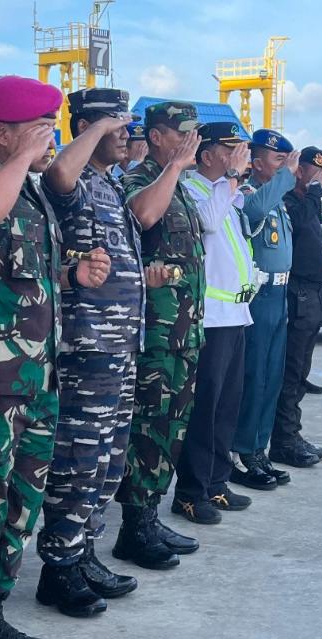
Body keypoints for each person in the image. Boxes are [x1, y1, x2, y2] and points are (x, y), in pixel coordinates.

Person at [0, 74, 111, 639]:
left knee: (19, 504)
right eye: (40, 130)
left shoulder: (32, 195)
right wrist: (17, 161)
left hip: (35, 378)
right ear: (5, 133)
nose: (49, 141)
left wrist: (71, 276)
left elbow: (19, 276)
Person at [33, 87, 143, 619]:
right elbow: (57, 173)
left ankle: (84, 553)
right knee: (78, 460)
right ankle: (59, 567)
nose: (126, 134)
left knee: (107, 459)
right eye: (116, 125)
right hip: (87, 344)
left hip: (119, 344)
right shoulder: (73, 182)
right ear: (87, 127)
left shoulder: (111, 184)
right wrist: (97, 127)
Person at [114, 100, 204, 569]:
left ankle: (148, 515)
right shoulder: (141, 179)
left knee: (172, 426)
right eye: (181, 133)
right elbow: (143, 217)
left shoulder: (181, 185)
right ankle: (133, 527)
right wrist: (173, 169)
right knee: (148, 426)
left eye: (193, 133)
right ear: (155, 136)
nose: (191, 142)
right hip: (155, 330)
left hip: (184, 330)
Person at [170, 120, 254, 525]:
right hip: (210, 318)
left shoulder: (228, 191)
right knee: (204, 408)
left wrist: (233, 182)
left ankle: (217, 482)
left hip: (235, 315)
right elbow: (206, 222)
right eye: (229, 149)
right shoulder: (191, 189)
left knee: (226, 405)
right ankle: (190, 492)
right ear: (206, 155)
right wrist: (233, 177)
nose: (237, 156)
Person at [230, 128, 302, 489]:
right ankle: (242, 451)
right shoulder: (248, 194)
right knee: (254, 376)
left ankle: (259, 448)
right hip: (258, 297)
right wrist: (287, 176)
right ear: (256, 164)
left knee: (272, 377)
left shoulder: (279, 200)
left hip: (279, 295)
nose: (286, 167)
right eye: (278, 160)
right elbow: (255, 210)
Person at [270, 146, 322, 468]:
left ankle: (291, 433)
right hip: (297, 293)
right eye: (314, 171)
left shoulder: (309, 201)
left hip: (313, 293)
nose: (320, 179)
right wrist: (313, 192)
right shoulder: (289, 201)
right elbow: (299, 221)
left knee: (301, 373)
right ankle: (283, 439)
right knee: (291, 371)